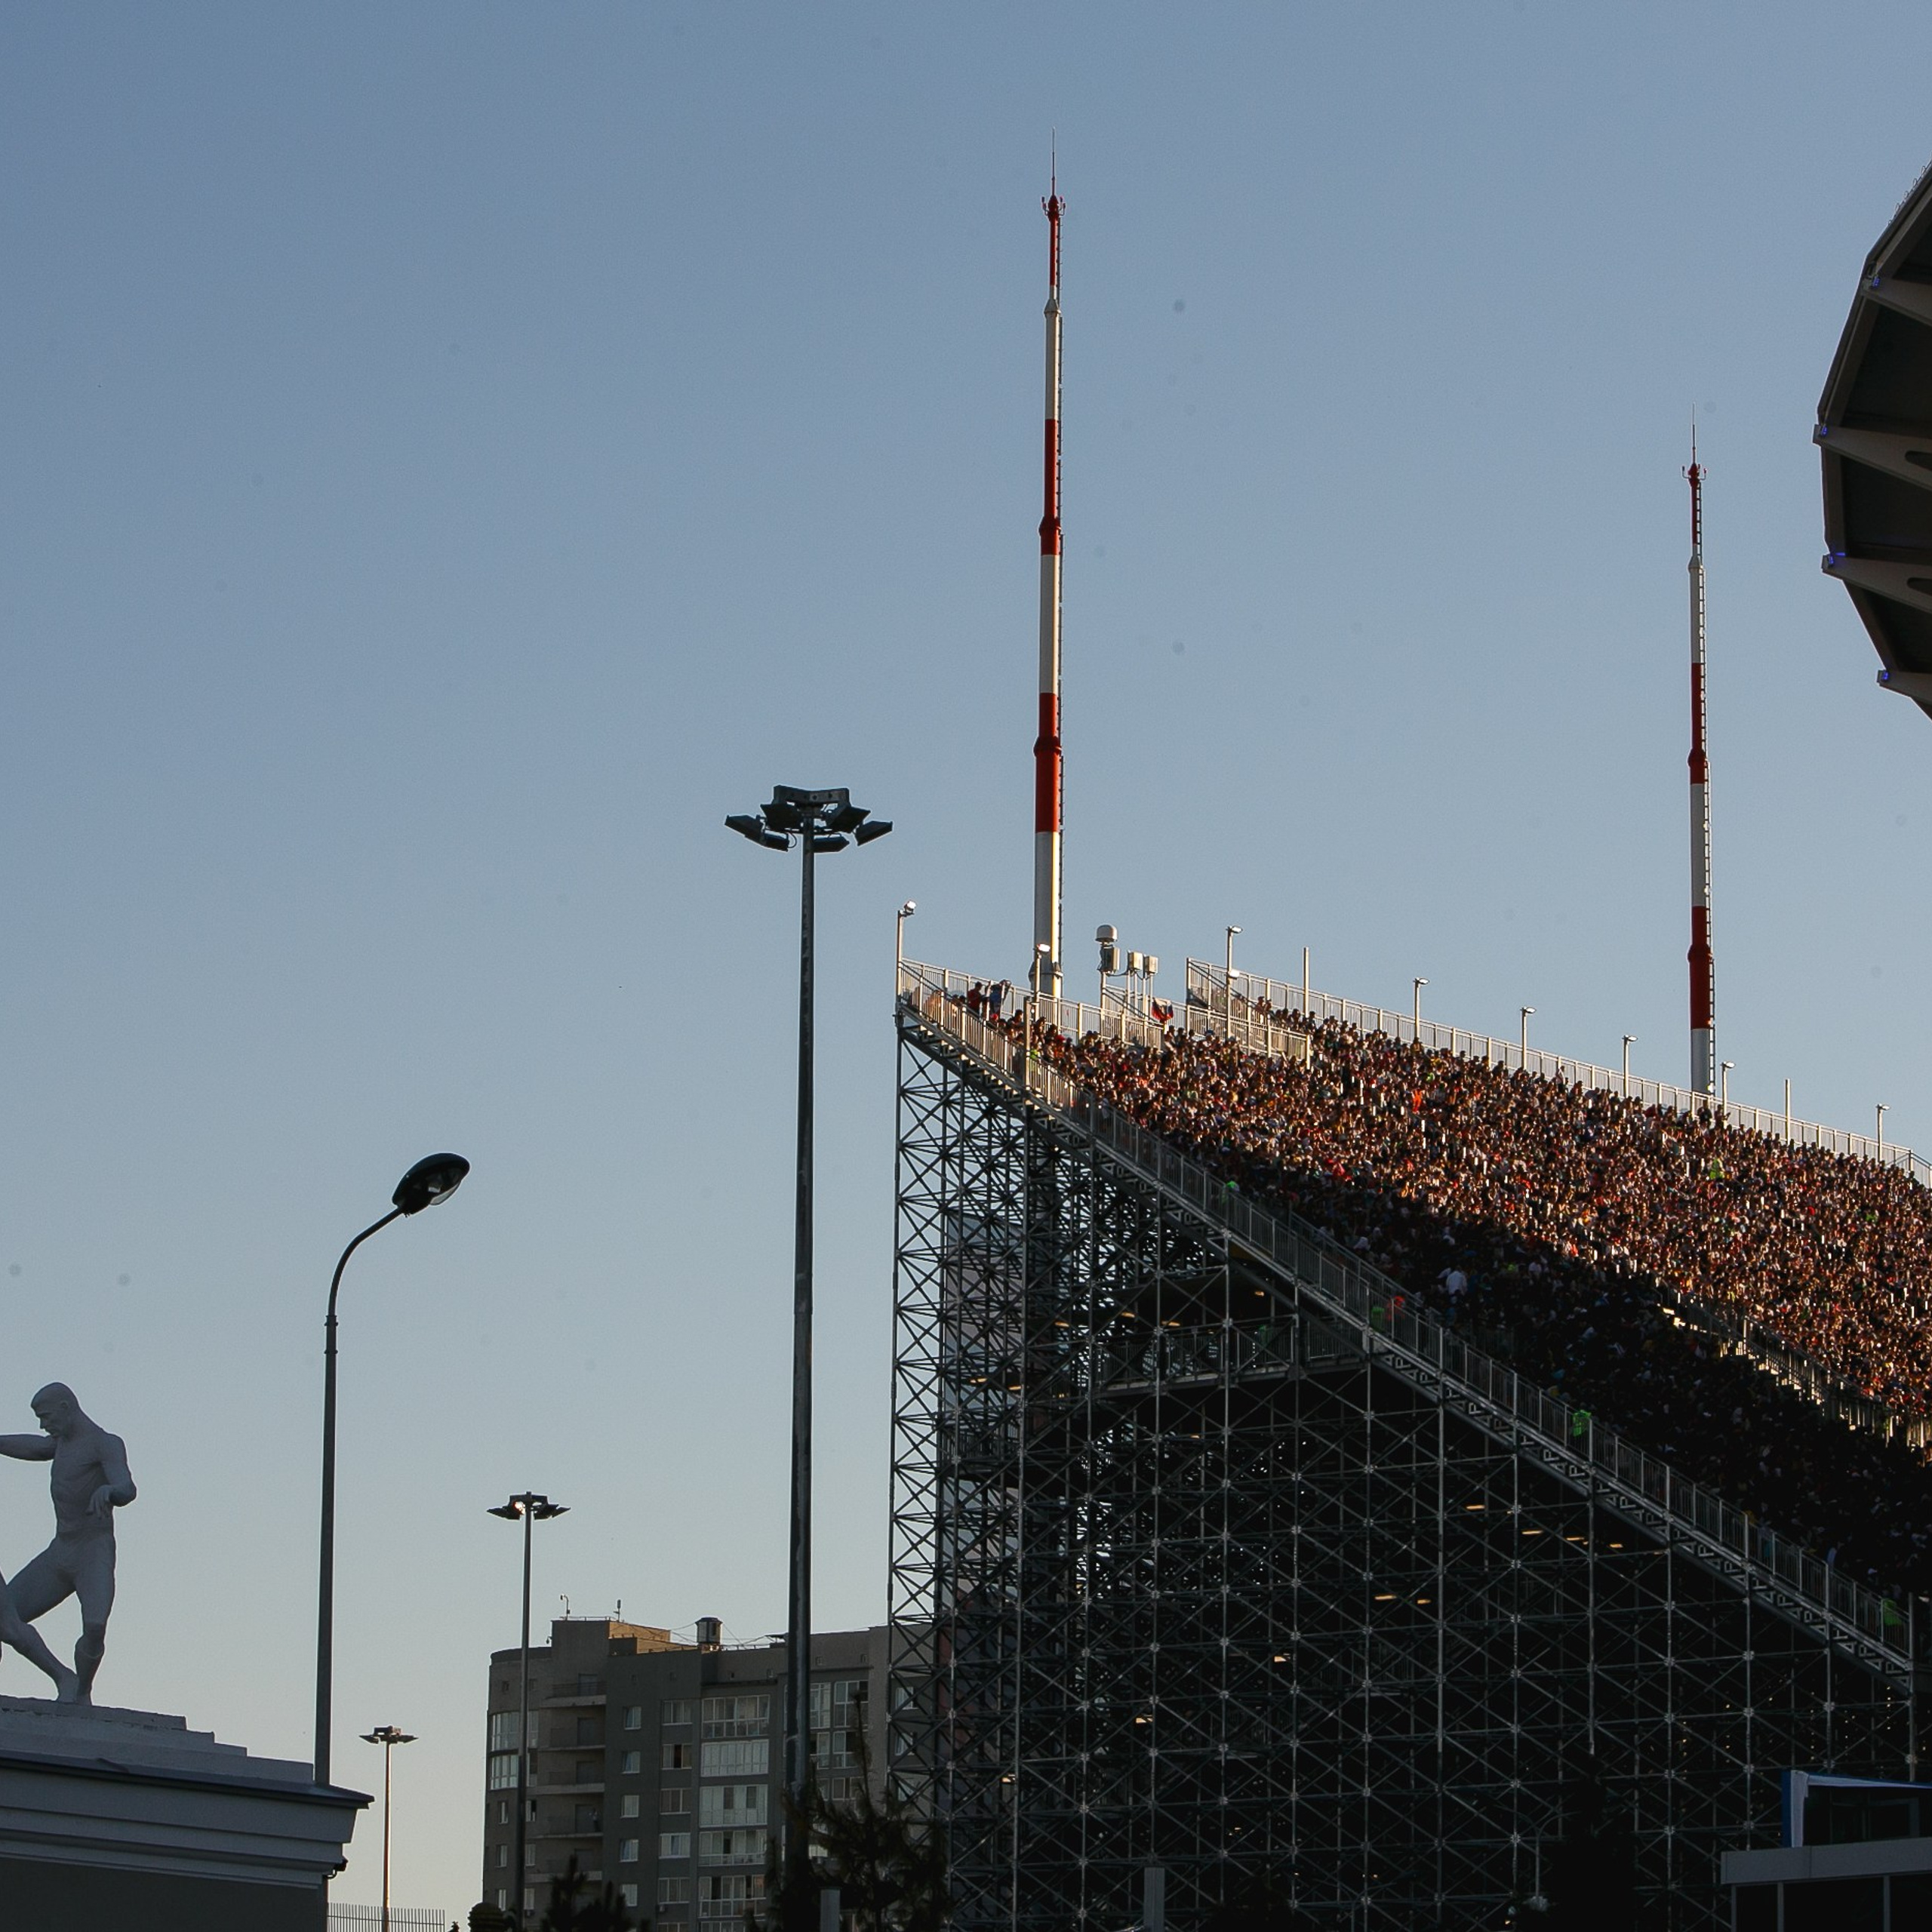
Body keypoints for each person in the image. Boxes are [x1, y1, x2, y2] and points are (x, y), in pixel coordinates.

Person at [0, 1384, 137, 1704]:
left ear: (65, 1407)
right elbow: (34, 1448)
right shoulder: (60, 1444)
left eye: (45, 1417)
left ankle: (81, 1691)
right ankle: (64, 1677)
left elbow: (127, 1486)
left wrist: (110, 1492)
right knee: (6, 1618)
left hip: (93, 1552)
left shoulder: (105, 1444)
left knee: (94, 1626)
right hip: (60, 1553)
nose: (43, 1425)